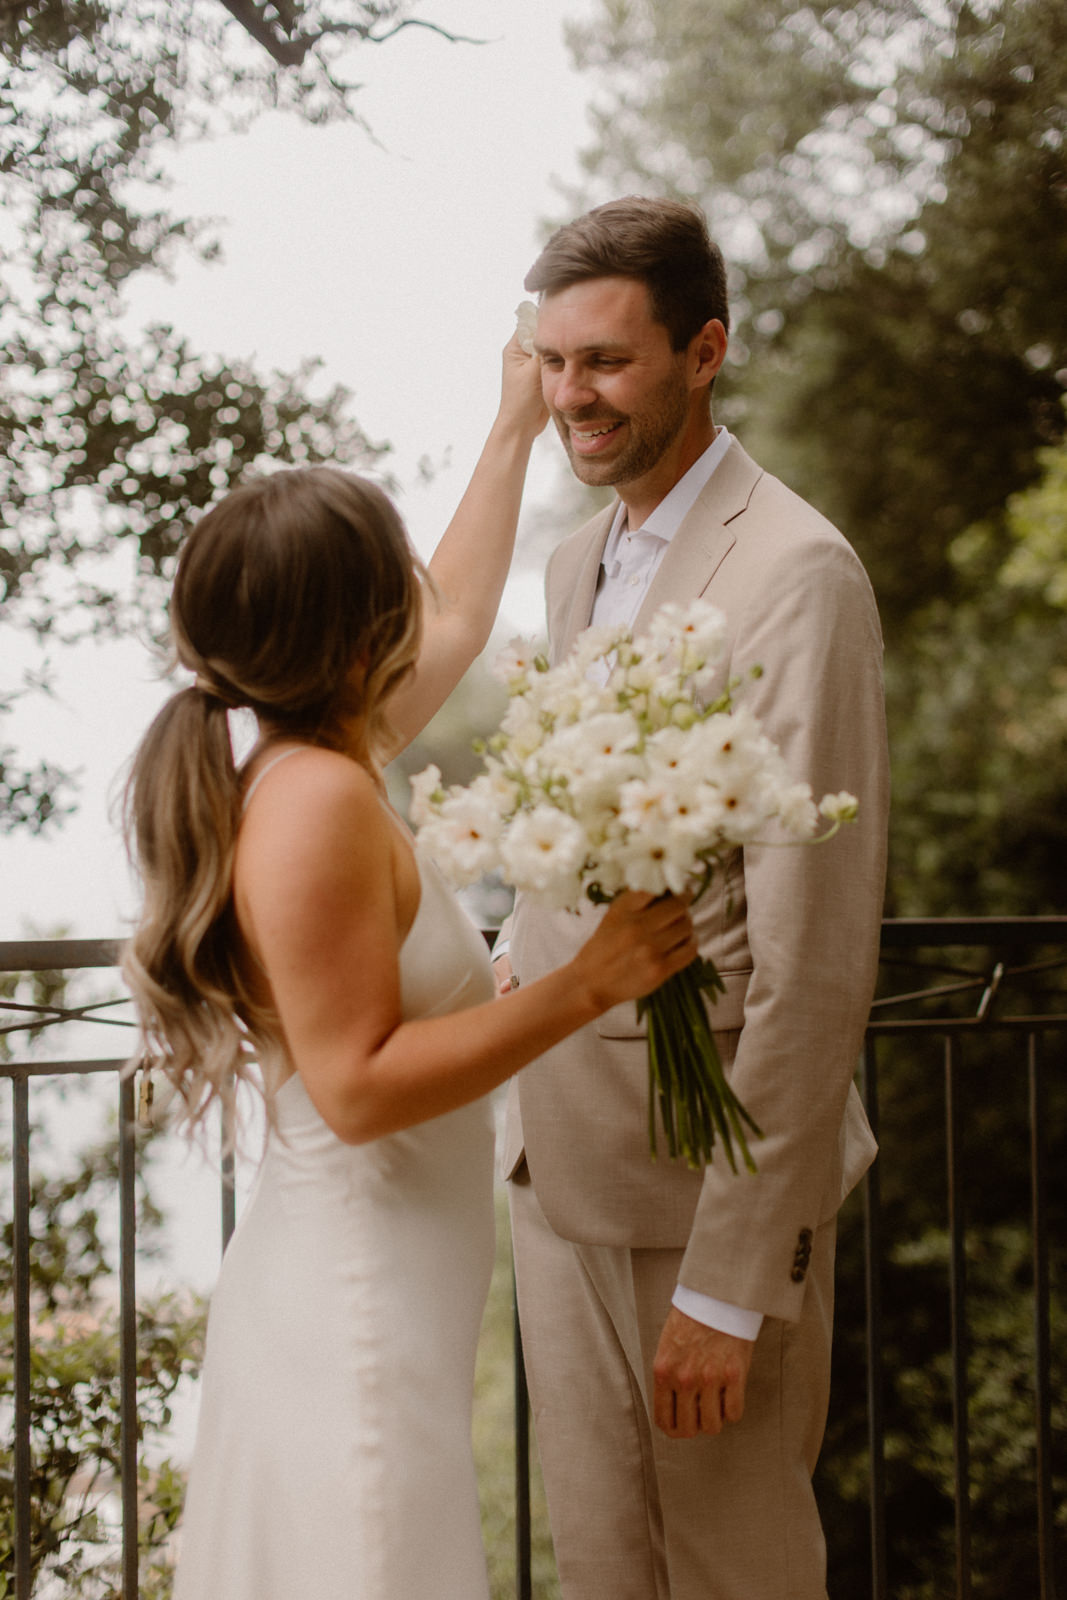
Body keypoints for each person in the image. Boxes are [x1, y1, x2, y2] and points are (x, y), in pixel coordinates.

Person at [122, 330, 700, 1600]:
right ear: (353, 618)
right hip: (352, 1313)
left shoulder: (320, 751)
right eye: (391, 576)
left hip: (382, 1295)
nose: (413, 599)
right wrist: (585, 984)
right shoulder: (316, 800)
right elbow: (359, 1082)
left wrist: (507, 428)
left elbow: (463, 605)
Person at [493, 197, 891, 1600]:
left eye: (603, 361)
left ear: (701, 350)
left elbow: (814, 958)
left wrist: (730, 1281)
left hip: (699, 1195)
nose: (570, 398)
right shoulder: (570, 565)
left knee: (734, 1576)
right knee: (605, 1571)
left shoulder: (796, 573)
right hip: (558, 1174)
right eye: (551, 363)